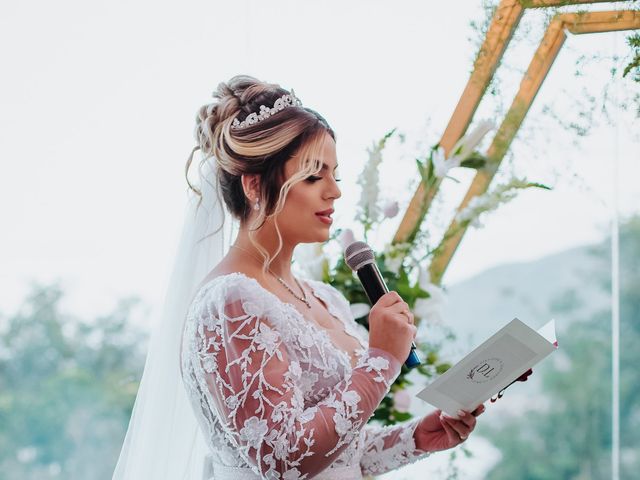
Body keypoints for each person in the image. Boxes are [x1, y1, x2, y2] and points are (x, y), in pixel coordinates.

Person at [113, 75, 484, 480]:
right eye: (312, 176)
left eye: (335, 176)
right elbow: (284, 459)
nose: (334, 193)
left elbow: (342, 455)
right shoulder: (230, 301)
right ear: (255, 185)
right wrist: (382, 360)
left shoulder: (326, 298)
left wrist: (418, 438)